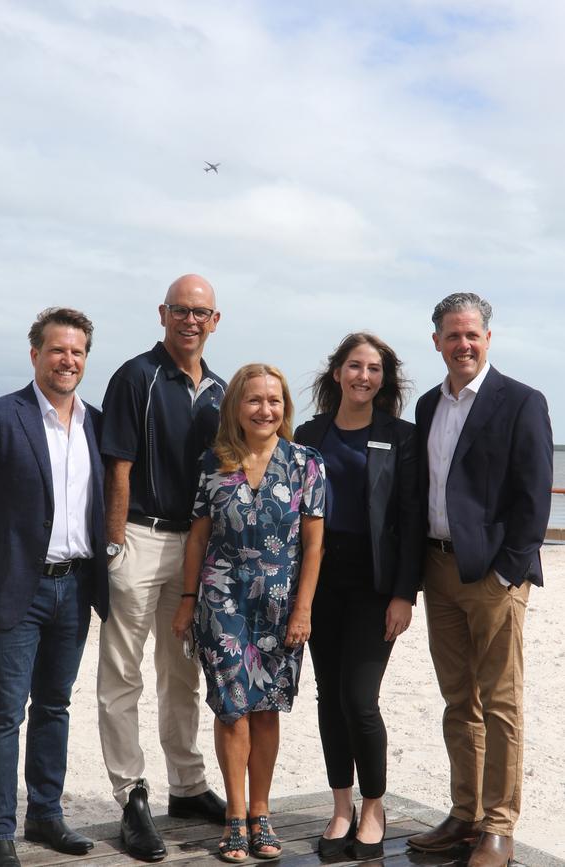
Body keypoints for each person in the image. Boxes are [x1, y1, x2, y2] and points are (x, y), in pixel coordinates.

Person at [0, 308, 108, 867]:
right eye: (58, 350)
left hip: (76, 586)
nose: (68, 360)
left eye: (77, 351)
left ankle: (46, 814)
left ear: (86, 358)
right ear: (34, 354)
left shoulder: (96, 424)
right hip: (17, 589)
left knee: (55, 705)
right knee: (4, 711)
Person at [407, 293, 553, 867]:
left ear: (487, 338)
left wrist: (509, 570)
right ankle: (465, 814)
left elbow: (534, 493)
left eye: (471, 334)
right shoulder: (426, 405)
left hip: (493, 574)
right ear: (437, 341)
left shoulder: (521, 401)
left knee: (500, 703)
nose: (462, 344)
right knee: (456, 701)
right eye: (451, 335)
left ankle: (499, 825)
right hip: (438, 571)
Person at [172, 363, 325, 863]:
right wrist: (187, 599)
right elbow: (198, 536)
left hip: (280, 606)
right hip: (222, 600)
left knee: (266, 710)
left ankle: (262, 813)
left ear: (285, 408)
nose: (265, 409)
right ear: (235, 406)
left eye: (274, 400)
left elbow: (314, 546)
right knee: (231, 707)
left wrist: (303, 609)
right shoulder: (213, 462)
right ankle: (235, 816)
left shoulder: (306, 462)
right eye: (254, 400)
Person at [98, 274, 227, 862]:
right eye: (181, 310)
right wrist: (116, 545)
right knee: (122, 674)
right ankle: (131, 796)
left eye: (201, 312)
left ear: (215, 320)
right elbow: (117, 466)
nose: (190, 320)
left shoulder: (224, 390)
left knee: (183, 673)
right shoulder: (135, 376)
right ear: (163, 313)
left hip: (196, 549)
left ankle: (188, 786)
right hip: (142, 539)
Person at [294, 332, 421, 861]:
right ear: (337, 373)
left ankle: (374, 807)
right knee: (328, 698)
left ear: (384, 379)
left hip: (375, 585)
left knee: (359, 700)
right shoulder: (308, 433)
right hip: (320, 581)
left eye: (373, 368)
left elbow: (412, 521)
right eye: (354, 366)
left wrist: (403, 594)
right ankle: (341, 805)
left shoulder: (402, 436)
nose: (362, 376)